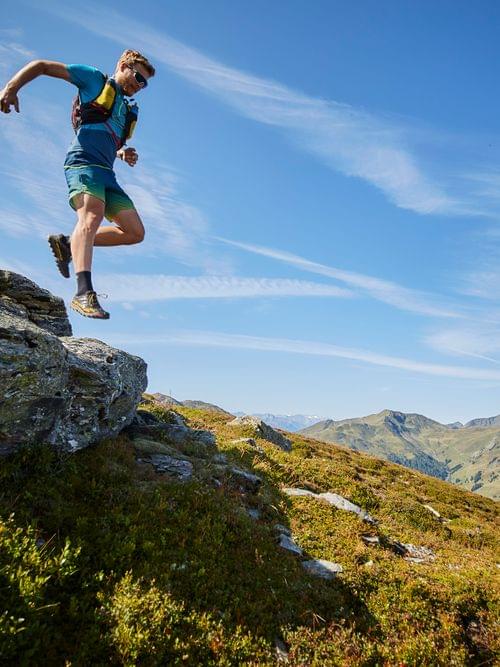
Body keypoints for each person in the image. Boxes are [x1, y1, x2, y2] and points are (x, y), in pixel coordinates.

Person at [0, 50, 155, 319]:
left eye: (144, 83)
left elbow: (108, 137)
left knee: (134, 232)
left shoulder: (127, 109)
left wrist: (122, 153)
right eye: (137, 76)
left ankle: (68, 243)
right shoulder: (94, 79)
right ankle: (84, 293)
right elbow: (42, 65)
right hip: (83, 163)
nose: (138, 85)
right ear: (123, 65)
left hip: (107, 174)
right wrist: (11, 88)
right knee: (91, 216)